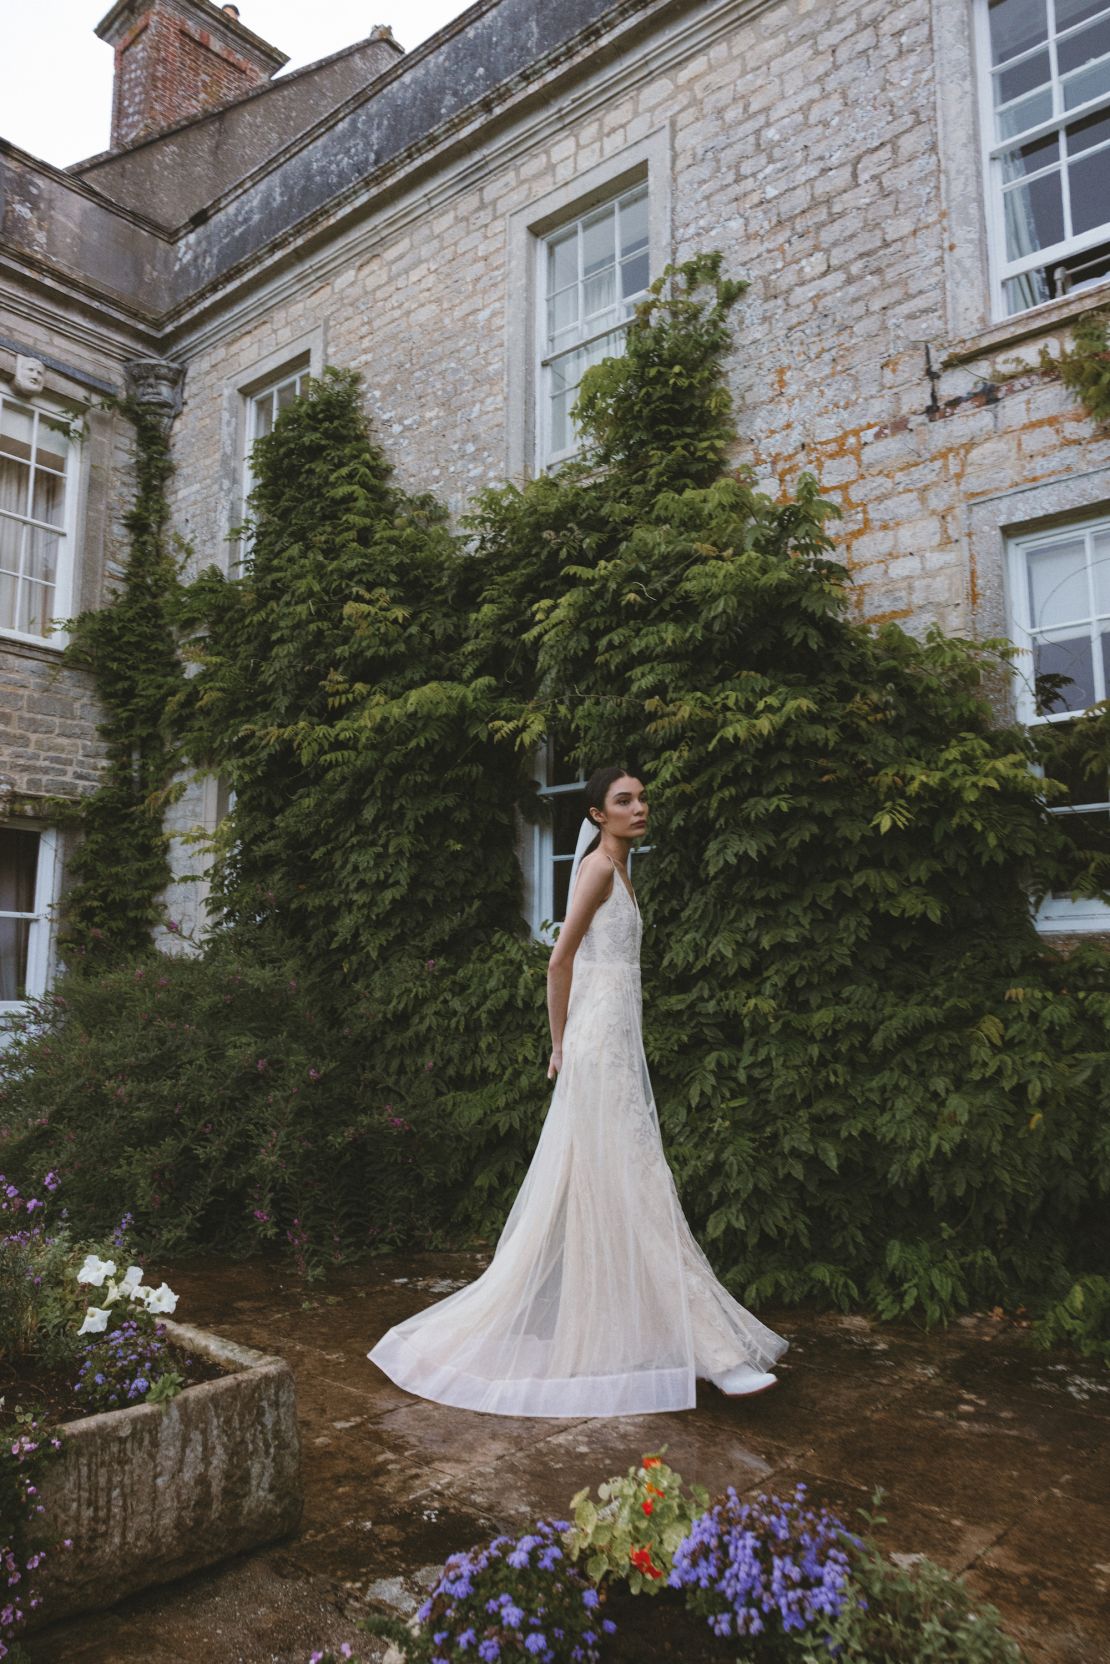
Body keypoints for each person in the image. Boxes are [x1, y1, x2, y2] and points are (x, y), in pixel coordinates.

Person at [367, 765, 788, 1416]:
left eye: (642, 797)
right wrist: (561, 1045)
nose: (639, 807)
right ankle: (718, 1356)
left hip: (617, 1048)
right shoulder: (595, 870)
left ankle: (633, 1337)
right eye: (624, 801)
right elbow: (560, 959)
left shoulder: (624, 870)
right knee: (640, 1187)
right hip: (596, 1052)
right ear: (597, 814)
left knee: (620, 1187)